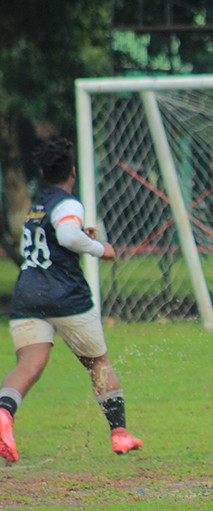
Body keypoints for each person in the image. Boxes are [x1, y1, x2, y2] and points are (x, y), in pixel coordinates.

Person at [0, 139, 142, 464]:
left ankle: (4, 415)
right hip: (66, 295)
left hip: (28, 293)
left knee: (28, 365)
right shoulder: (68, 203)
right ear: (72, 172)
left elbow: (46, 244)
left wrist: (80, 236)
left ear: (42, 172)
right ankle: (119, 434)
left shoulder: (37, 207)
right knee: (98, 363)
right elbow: (66, 236)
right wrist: (101, 248)